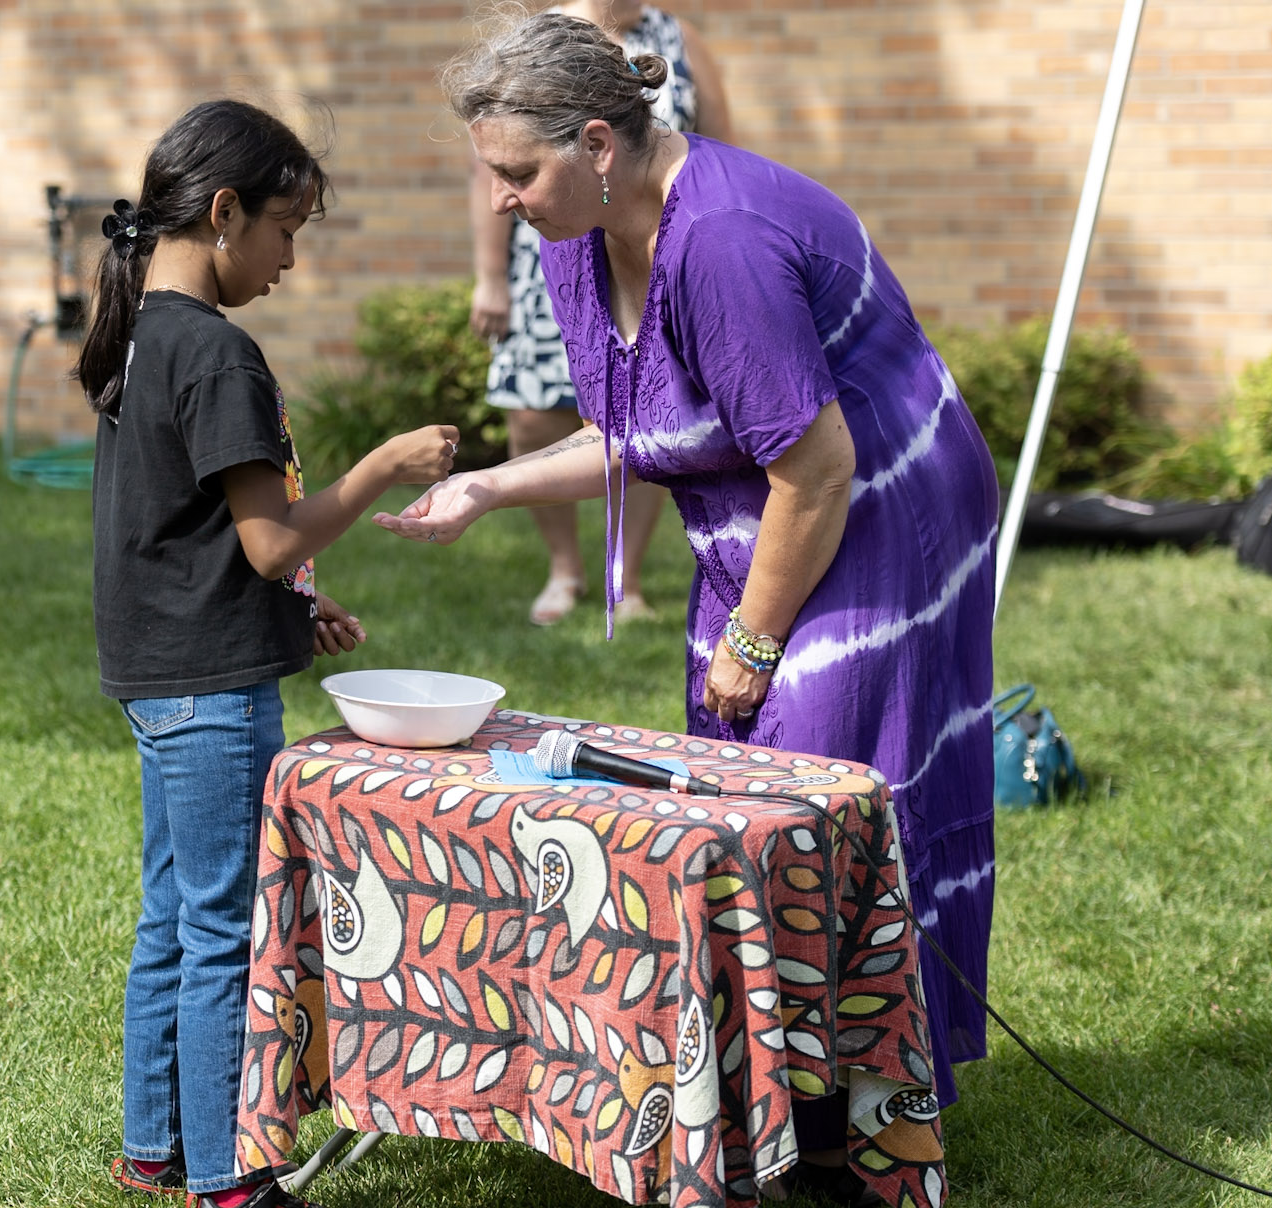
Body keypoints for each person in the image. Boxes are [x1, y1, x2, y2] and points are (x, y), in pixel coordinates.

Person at [380, 15, 999, 1135]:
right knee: (729, 778)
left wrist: (752, 645)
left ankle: (886, 1122)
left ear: (600, 144)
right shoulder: (575, 235)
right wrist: (489, 489)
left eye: (516, 173)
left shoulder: (720, 238)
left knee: (828, 774)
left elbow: (815, 469)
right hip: (766, 497)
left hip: (874, 498)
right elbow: (647, 433)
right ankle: (777, 1093)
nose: (498, 202)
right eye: (488, 174)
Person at [77, 99, 459, 1208]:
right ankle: (229, 1192)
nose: (291, 258)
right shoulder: (218, 352)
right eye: (286, 229)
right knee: (222, 934)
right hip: (208, 691)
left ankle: (158, 1153)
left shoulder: (141, 332)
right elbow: (268, 538)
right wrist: (380, 467)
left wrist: (293, 600)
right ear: (224, 212)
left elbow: (190, 528)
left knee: (170, 918)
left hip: (155, 673)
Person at [469, 0, 732, 627]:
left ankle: (626, 574)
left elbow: (717, 145)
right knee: (534, 415)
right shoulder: (539, 39)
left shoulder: (678, 37)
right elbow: (493, 174)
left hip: (655, 251)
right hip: (550, 251)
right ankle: (565, 567)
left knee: (652, 413)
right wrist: (489, 278)